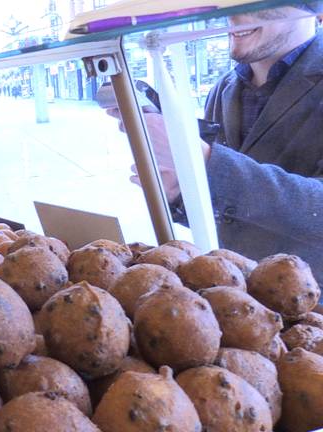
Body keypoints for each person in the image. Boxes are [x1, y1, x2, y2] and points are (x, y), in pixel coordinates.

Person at [113, 4, 323, 284]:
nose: (233, 11)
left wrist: (202, 160)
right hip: (235, 292)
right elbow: (227, 211)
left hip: (310, 302)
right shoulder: (224, 88)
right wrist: (178, 189)